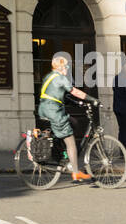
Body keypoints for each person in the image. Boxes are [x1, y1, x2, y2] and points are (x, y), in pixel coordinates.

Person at [38, 54, 99, 182]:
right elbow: (75, 92)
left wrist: (76, 103)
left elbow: (59, 93)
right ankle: (76, 172)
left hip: (44, 109)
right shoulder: (60, 78)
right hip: (54, 111)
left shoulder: (48, 77)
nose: (67, 69)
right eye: (66, 66)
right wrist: (92, 100)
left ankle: (63, 155)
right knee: (70, 141)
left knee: (74, 122)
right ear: (61, 67)